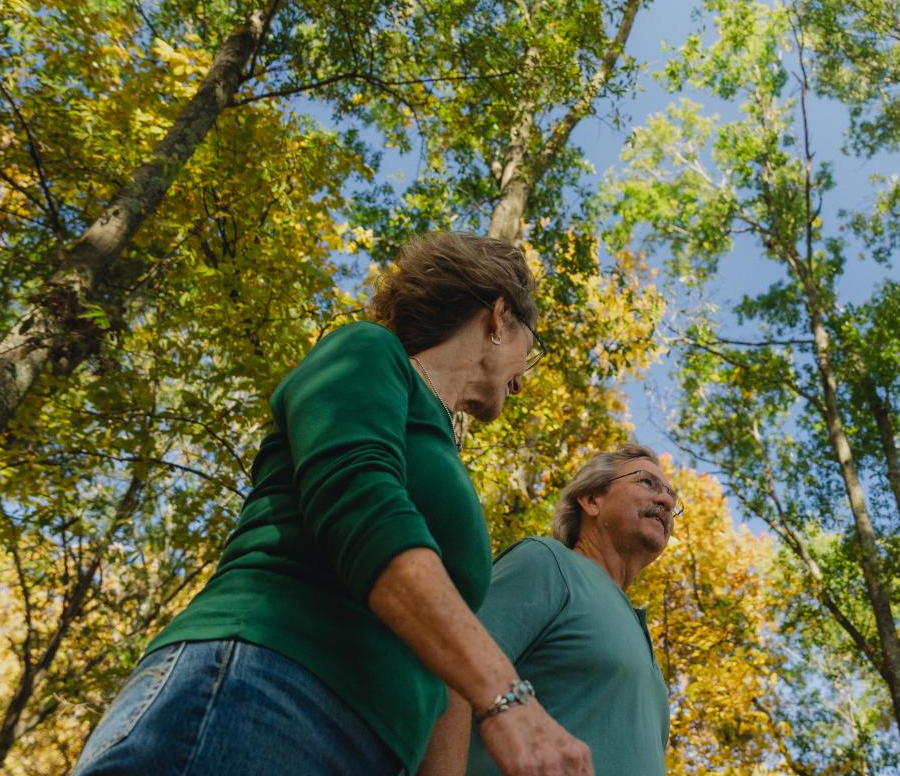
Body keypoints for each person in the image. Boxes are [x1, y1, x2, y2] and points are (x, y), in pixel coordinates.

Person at [72, 232, 592, 776]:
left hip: (370, 747)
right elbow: (362, 509)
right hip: (263, 688)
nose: (524, 382)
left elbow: (442, 676)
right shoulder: (366, 351)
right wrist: (510, 700)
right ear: (498, 317)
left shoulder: (442, 453)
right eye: (528, 353)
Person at [432, 443, 678, 776]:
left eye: (672, 497)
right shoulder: (547, 563)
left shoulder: (651, 666)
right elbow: (449, 668)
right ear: (592, 500)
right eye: (647, 483)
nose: (666, 501)